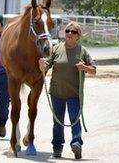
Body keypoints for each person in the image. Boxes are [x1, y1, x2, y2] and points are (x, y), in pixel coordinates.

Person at [39, 22, 96, 159]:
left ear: (78, 36)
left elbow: (93, 70)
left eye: (74, 32)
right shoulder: (57, 49)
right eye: (67, 31)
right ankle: (57, 148)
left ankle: (77, 144)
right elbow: (46, 67)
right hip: (57, 93)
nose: (70, 33)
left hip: (74, 94)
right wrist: (42, 65)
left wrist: (84, 68)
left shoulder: (82, 51)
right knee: (57, 122)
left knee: (75, 120)